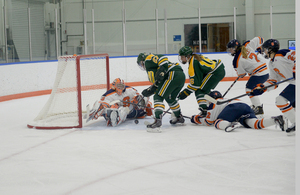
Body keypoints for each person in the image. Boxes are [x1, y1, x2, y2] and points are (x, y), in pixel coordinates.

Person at [251, 39, 295, 134]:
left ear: (270, 49)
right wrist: (262, 88)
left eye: (265, 49)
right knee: (293, 107)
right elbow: (274, 80)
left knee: (280, 100)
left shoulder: (282, 53)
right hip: (294, 82)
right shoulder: (272, 63)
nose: (264, 52)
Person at [191, 90, 285, 132]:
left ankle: (229, 125)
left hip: (231, 109)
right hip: (245, 106)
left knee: (217, 122)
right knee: (254, 123)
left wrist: (196, 119)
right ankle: (274, 120)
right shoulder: (227, 99)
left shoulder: (214, 103)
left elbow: (209, 122)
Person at [137, 52, 186, 129]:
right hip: (180, 76)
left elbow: (163, 58)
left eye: (140, 64)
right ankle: (179, 117)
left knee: (158, 96)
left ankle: (157, 120)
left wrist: (163, 69)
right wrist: (150, 90)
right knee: (170, 98)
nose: (142, 66)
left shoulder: (147, 59)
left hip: (173, 74)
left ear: (142, 61)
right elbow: (159, 84)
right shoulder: (154, 67)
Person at [177, 46, 226, 117]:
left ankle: (205, 110)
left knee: (200, 90)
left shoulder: (193, 64)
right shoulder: (194, 58)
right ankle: (213, 102)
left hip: (215, 72)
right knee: (203, 89)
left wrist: (185, 93)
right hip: (218, 70)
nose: (181, 59)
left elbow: (195, 85)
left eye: (182, 57)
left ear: (188, 56)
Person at [226, 37, 268, 118]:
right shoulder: (246, 45)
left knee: (249, 89)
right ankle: (256, 106)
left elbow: (242, 74)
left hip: (259, 74)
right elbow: (260, 39)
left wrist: (241, 74)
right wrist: (260, 48)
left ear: (235, 48)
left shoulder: (236, 61)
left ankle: (258, 108)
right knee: (250, 89)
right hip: (265, 71)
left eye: (231, 49)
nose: (230, 51)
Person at [87, 78, 152, 127]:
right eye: (118, 86)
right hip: (121, 110)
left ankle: (115, 118)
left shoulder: (130, 90)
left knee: (143, 98)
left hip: (132, 111)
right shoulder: (108, 94)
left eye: (122, 86)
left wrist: (136, 100)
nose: (120, 88)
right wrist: (105, 107)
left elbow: (138, 96)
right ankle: (109, 116)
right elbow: (104, 104)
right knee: (115, 107)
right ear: (114, 86)